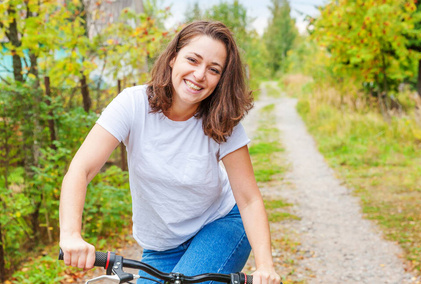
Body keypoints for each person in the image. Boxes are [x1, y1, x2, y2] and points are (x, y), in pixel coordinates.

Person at [59, 21, 281, 284]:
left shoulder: (222, 119)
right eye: (192, 60)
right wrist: (71, 234)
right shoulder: (132, 105)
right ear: (173, 58)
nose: (199, 75)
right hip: (160, 246)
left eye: (213, 69)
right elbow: (81, 169)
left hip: (221, 223)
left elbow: (249, 199)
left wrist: (265, 266)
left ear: (221, 79)